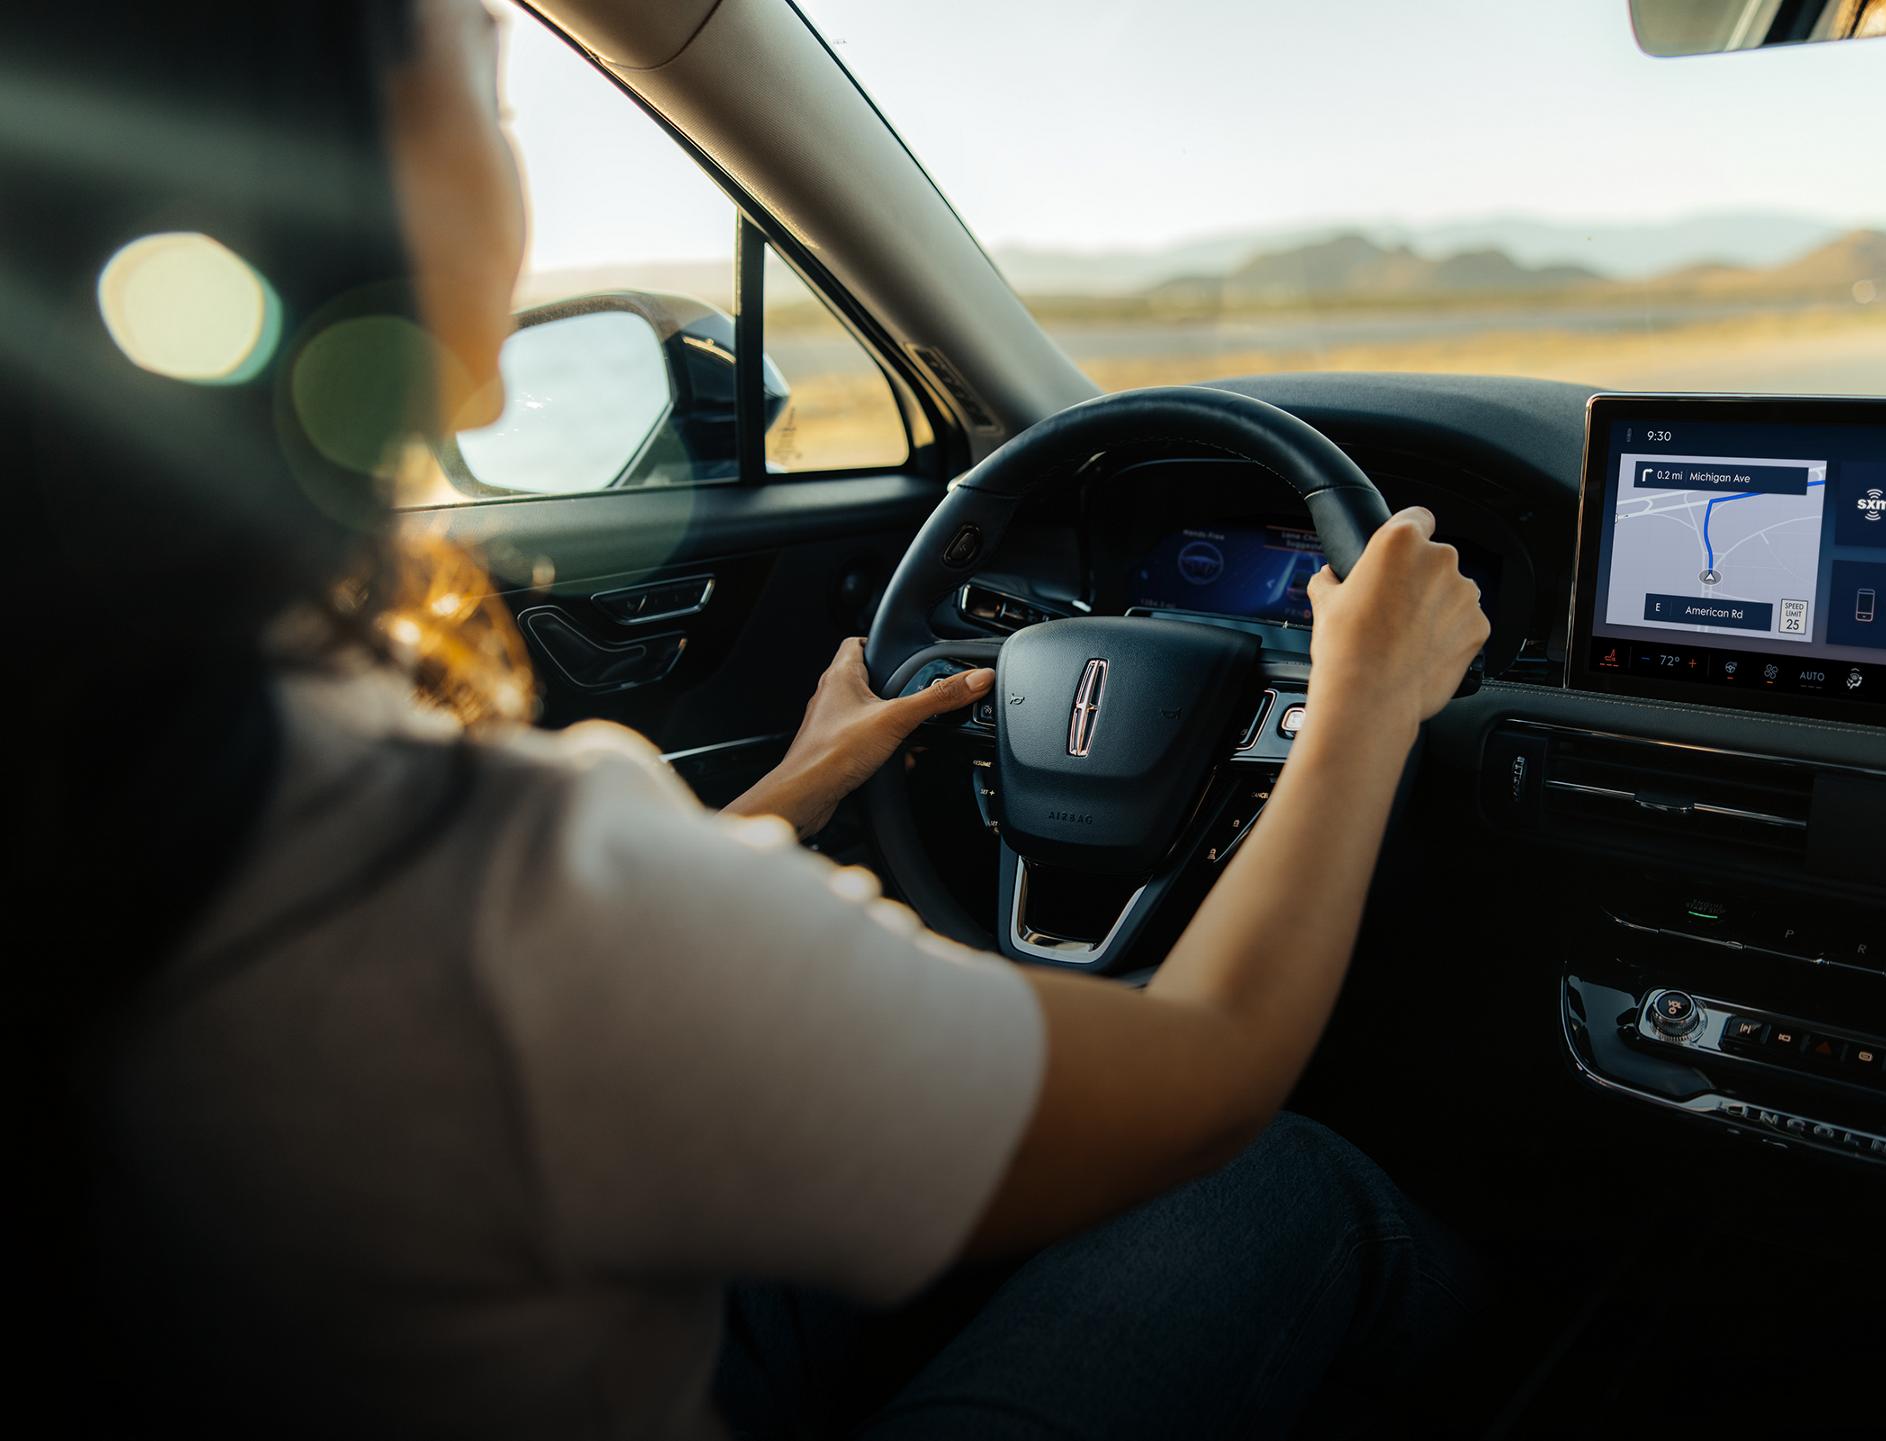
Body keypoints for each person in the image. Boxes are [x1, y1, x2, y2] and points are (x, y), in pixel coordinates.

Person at [9, 1, 1491, 1436]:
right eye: (493, 83)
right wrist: (1364, 698)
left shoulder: (144, 770)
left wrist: (790, 791)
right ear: (332, 160)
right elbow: (1210, 1076)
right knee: (1282, 1183)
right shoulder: (477, 893)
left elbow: (563, 1006)